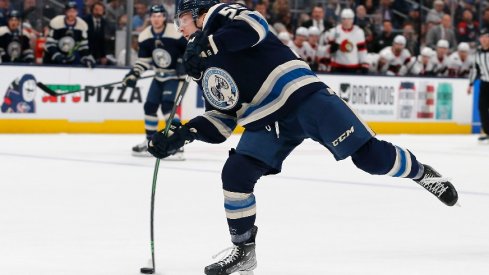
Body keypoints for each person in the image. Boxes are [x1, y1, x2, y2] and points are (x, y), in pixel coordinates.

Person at [152, 1, 459, 274]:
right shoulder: (199, 63)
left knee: (372, 159)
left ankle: (422, 173)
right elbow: (222, 118)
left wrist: (210, 45)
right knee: (235, 174)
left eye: (181, 19)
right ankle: (244, 252)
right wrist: (184, 133)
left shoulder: (221, 15)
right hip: (266, 118)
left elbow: (254, 27)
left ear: (197, 12)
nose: (178, 27)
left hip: (301, 94)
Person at [122, 4, 187, 158]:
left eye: (159, 16)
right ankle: (150, 142)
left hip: (176, 77)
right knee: (149, 107)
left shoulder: (175, 32)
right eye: (154, 16)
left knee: (168, 107)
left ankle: (176, 144)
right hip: (159, 76)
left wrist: (182, 63)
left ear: (164, 17)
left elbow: (189, 49)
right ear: (150, 18)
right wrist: (133, 74)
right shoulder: (145, 35)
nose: (156, 19)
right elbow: (143, 61)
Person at [43, 1, 95, 67]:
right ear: (65, 12)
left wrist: (85, 58)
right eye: (69, 11)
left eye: (73, 11)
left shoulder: (82, 25)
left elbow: (83, 46)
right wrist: (57, 55)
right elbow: (50, 43)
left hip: (71, 57)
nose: (71, 14)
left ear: (77, 12)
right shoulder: (56, 22)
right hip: (52, 57)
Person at [327, 8, 368, 74]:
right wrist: (331, 48)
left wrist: (364, 64)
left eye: (349, 19)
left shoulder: (359, 32)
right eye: (344, 19)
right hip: (337, 66)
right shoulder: (334, 31)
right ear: (341, 19)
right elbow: (328, 49)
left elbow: (362, 50)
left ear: (352, 19)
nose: (346, 21)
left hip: (353, 67)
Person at [468, 28, 489, 141]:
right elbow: (475, 70)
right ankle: (487, 131)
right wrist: (470, 83)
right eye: (482, 37)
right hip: (485, 84)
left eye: (487, 37)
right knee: (482, 108)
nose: (484, 39)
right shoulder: (478, 53)